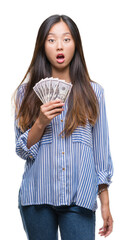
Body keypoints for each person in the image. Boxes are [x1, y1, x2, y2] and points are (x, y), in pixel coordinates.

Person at [13, 14, 114, 240]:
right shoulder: (25, 94)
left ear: (75, 44)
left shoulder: (94, 93)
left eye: (66, 39)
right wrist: (40, 122)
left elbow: (100, 151)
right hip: (37, 197)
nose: (59, 46)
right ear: (42, 45)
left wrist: (105, 202)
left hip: (80, 198)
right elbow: (21, 150)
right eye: (52, 40)